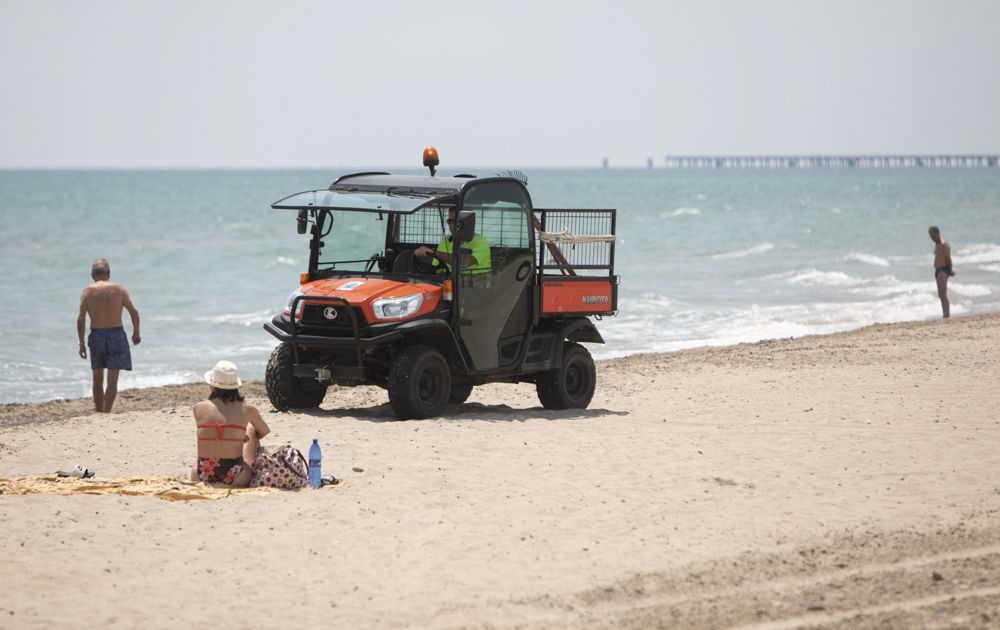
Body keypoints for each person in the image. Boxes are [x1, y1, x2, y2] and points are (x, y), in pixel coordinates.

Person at [192, 360, 270, 487]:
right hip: (235, 476)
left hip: (201, 474)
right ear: (235, 386)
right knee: (250, 430)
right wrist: (240, 438)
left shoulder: (198, 407)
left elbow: (212, 433)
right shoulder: (247, 409)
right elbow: (264, 431)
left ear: (212, 385)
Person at [77, 258, 141, 413]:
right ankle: (107, 412)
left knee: (97, 377)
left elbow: (81, 318)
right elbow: (133, 311)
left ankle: (99, 412)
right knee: (112, 379)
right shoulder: (119, 289)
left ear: (92, 275)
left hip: (96, 335)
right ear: (109, 274)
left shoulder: (87, 291)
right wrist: (136, 333)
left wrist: (81, 343)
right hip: (116, 334)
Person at [414, 209, 491, 274]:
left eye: (455, 221)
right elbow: (437, 268)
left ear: (466, 223)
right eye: (449, 221)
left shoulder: (480, 241)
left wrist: (434, 252)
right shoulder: (445, 242)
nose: (451, 225)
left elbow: (464, 263)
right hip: (450, 284)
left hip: (477, 286)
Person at [929, 225, 956, 319]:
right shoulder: (936, 244)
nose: (931, 238)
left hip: (943, 270)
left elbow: (948, 259)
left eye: (932, 235)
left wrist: (950, 270)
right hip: (938, 270)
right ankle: (945, 314)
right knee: (941, 295)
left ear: (937, 234)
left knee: (943, 295)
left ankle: (946, 315)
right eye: (930, 236)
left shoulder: (944, 244)